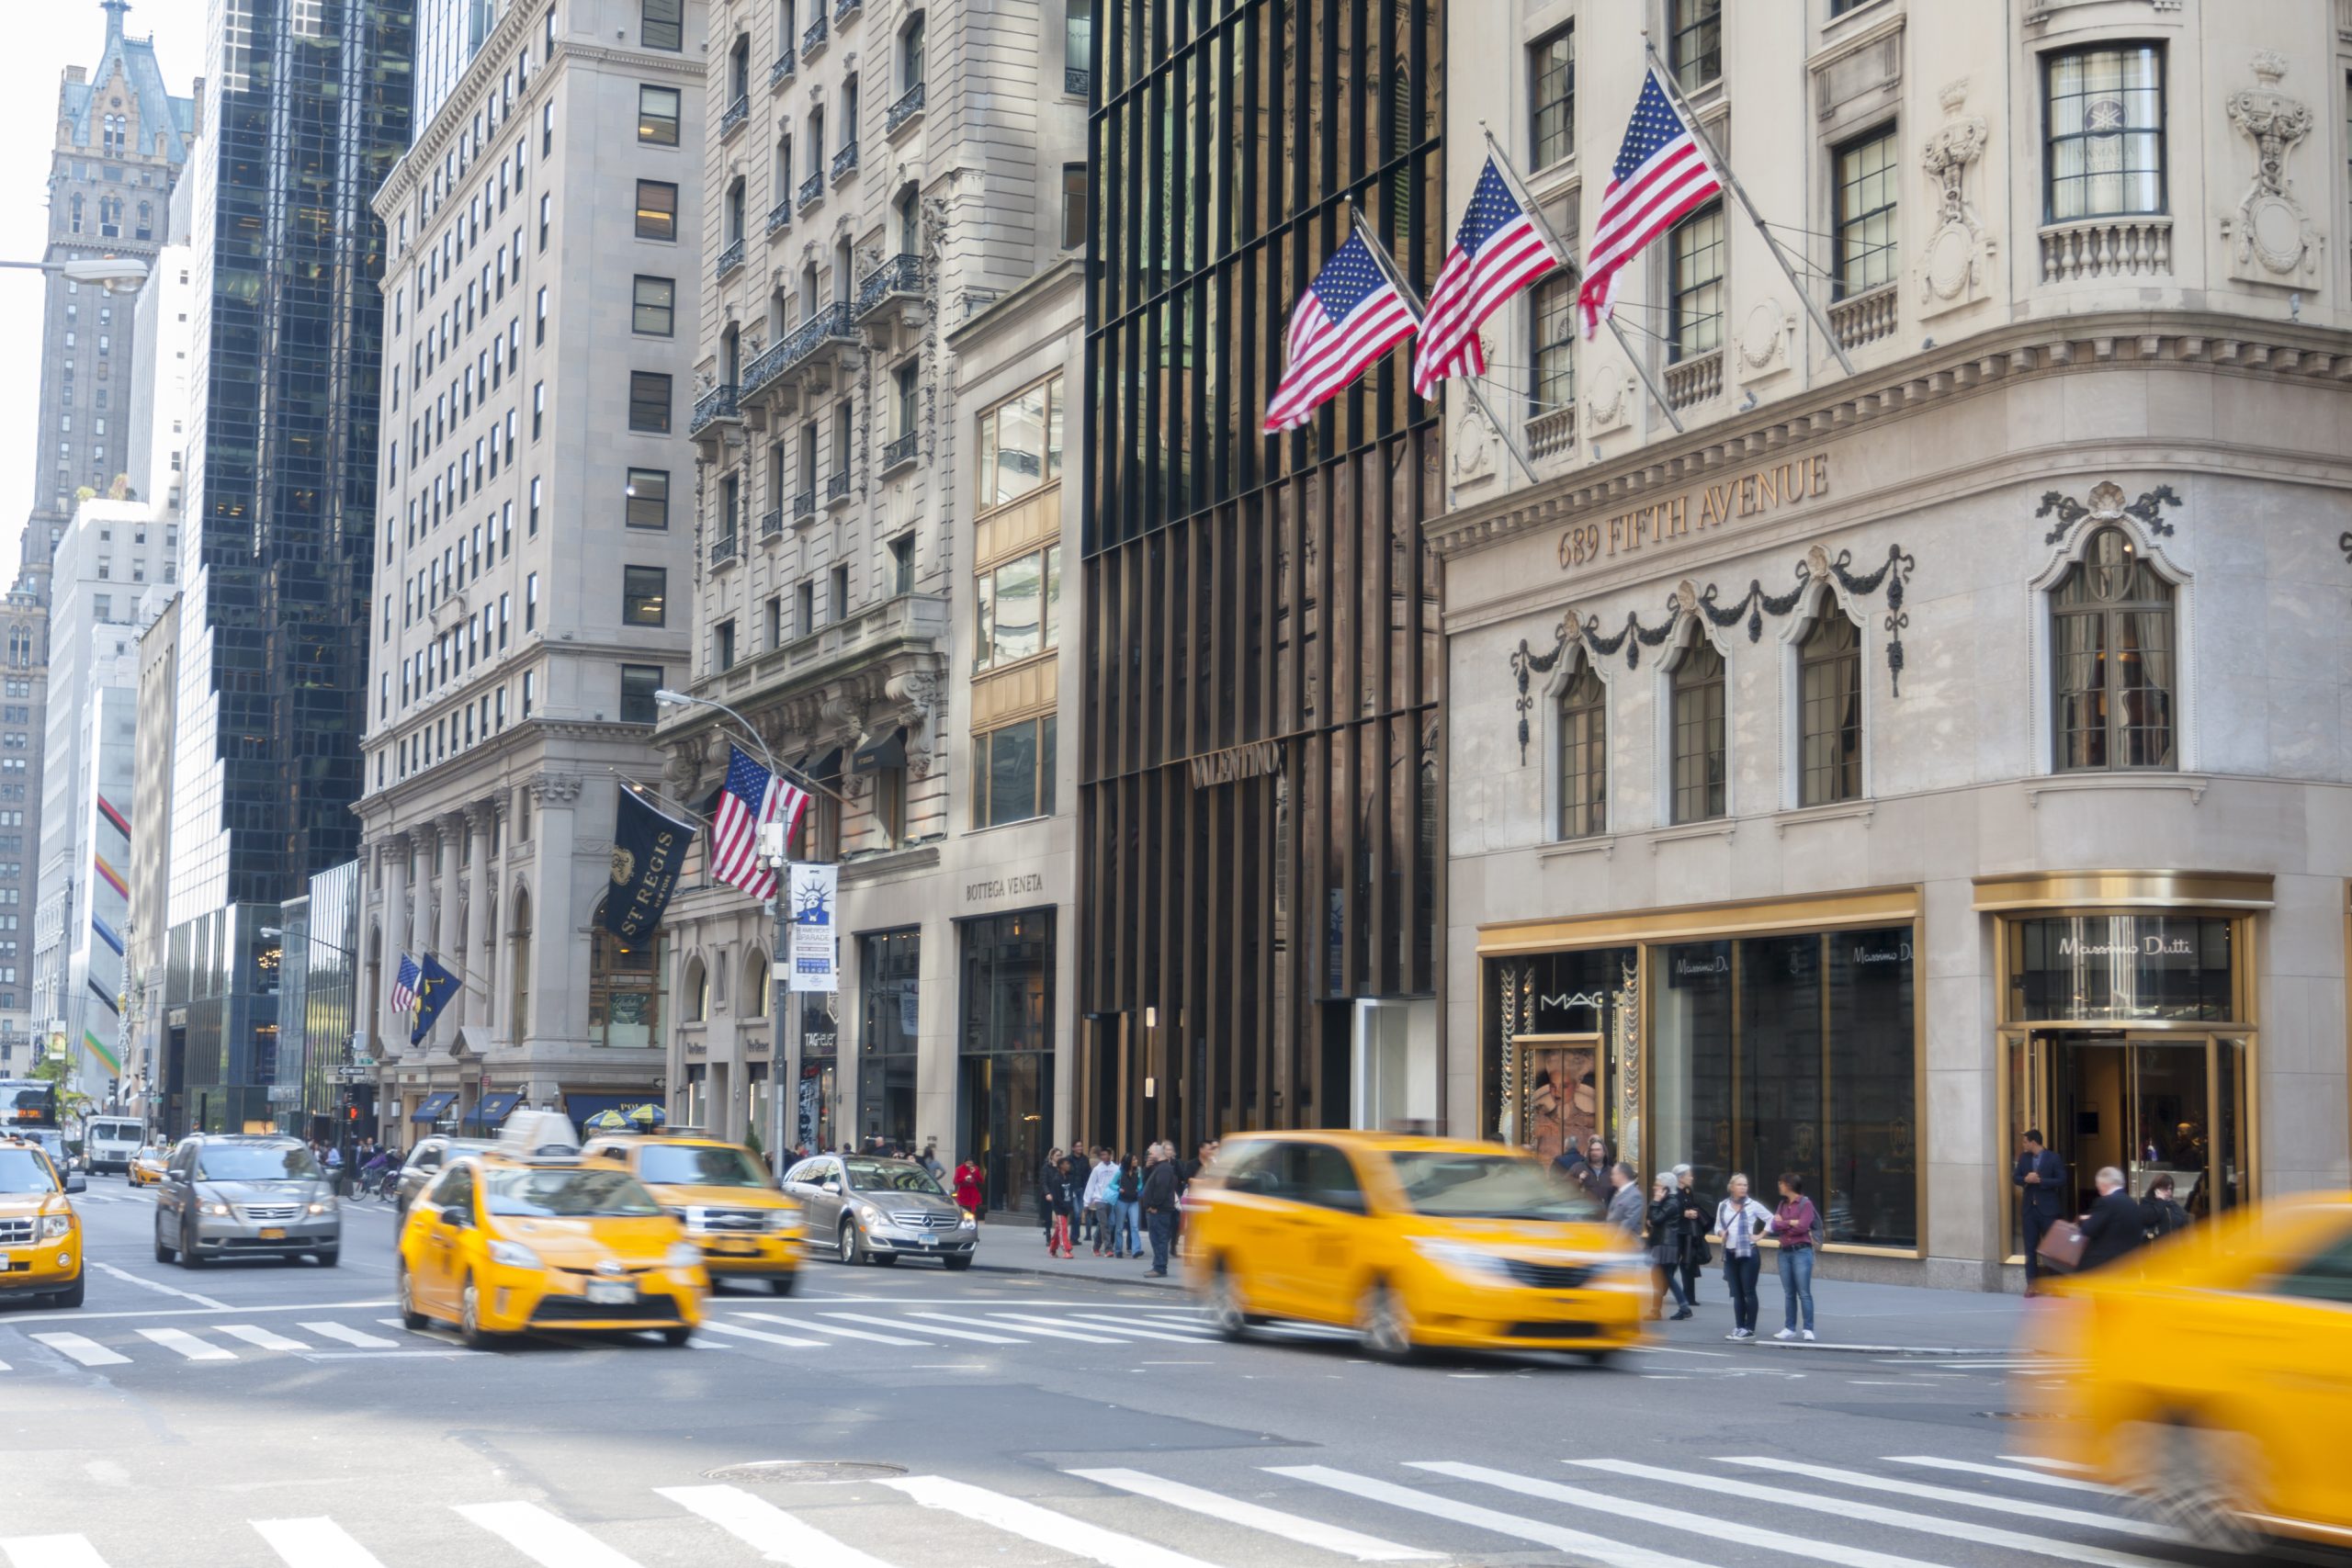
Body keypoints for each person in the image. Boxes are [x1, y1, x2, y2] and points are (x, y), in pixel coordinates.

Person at [1714, 1173, 1773, 1341]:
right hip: (1730, 1253)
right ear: (1731, 1187)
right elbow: (1717, 1225)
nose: (1743, 1188)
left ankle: (1750, 1328)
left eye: (1745, 1185)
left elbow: (1771, 1219)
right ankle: (1739, 1326)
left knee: (1748, 1291)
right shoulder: (1723, 1205)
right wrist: (1721, 1232)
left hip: (1749, 1253)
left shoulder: (1752, 1205)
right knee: (1736, 1293)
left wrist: (1760, 1235)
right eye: (1739, 1185)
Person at [2014, 1129, 2068, 1296]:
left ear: (2034, 1142)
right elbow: (2015, 1177)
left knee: (2052, 1249)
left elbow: (2062, 1179)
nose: (2023, 1145)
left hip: (2049, 1210)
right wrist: (2025, 1180)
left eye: (2025, 1142)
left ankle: (2055, 1285)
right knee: (2030, 1249)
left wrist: (2041, 1181)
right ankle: (2031, 1284)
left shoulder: (2053, 1158)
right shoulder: (2024, 1158)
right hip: (2030, 1210)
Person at [1769, 1172, 1818, 1341]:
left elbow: (1803, 1227)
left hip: (1801, 1251)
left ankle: (1808, 1329)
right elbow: (1774, 1225)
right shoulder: (1782, 1204)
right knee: (1789, 1292)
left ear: (1789, 1185)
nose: (1779, 1185)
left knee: (1804, 1292)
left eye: (1781, 1183)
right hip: (1784, 1251)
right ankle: (1789, 1328)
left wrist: (1784, 1223)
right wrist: (1790, 1222)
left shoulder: (1806, 1204)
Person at [2076, 1166, 2145, 1272]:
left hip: (2103, 1265)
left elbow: (2088, 1230)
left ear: (2104, 1184)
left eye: (2098, 1184)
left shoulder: (2105, 1202)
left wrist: (2084, 1220)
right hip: (2129, 1265)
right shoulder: (2133, 1204)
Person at [1645, 1175, 1690, 1321]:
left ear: (1665, 1188)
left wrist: (1656, 1201)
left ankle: (1682, 1307)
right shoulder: (1667, 1202)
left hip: (1666, 1244)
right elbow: (1651, 1220)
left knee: (1663, 1276)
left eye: (1657, 1185)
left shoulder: (1671, 1202)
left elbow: (1656, 1219)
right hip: (1663, 1243)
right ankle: (1661, 1309)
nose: (1654, 1187)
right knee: (1662, 1276)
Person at [1140, 1142, 1181, 1277]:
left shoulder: (1164, 1168)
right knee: (1156, 1239)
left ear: (1157, 1154)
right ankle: (1158, 1265)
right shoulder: (1158, 1167)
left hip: (1159, 1210)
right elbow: (1146, 1182)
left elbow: (1161, 1189)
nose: (1149, 1156)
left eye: (1150, 1153)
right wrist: (1147, 1167)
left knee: (1159, 1239)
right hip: (1157, 1209)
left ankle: (1160, 1267)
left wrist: (1153, 1206)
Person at [1672, 1164, 1708, 1307]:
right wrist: (1683, 1213)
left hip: (1688, 1233)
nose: (1692, 1178)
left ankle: (1689, 1297)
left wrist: (1693, 1212)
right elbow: (1670, 1211)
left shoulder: (1688, 1191)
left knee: (1689, 1263)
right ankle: (1660, 1292)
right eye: (1689, 1175)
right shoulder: (1672, 1192)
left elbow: (1691, 1205)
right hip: (1675, 1233)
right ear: (1681, 1178)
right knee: (1670, 1265)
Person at [1082, 1149, 1120, 1256]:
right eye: (1101, 1155)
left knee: (1105, 1224)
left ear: (1110, 1155)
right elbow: (1091, 1185)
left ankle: (1096, 1245)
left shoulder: (1116, 1169)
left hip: (1111, 1199)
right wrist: (1086, 1203)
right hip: (1099, 1199)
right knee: (1104, 1223)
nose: (1103, 1156)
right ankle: (1108, 1248)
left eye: (1105, 1154)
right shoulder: (1097, 1169)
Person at [1042, 1156, 1077, 1259]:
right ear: (1061, 1166)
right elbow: (1056, 1197)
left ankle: (1052, 1248)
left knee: (1059, 1229)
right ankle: (1066, 1249)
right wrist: (1062, 1206)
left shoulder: (1069, 1177)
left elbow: (1070, 1193)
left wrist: (1070, 1205)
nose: (1068, 1165)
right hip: (1059, 1208)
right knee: (1063, 1229)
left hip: (1067, 1206)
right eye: (1066, 1164)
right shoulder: (1056, 1179)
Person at [2139, 1172, 2190, 1240]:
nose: (2168, 1192)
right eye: (2165, 1189)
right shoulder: (2147, 1203)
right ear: (2156, 1190)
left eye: (2170, 1189)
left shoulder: (2173, 1205)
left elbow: (2183, 1222)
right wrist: (2160, 1201)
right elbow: (2149, 1219)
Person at [1605, 1160, 1644, 1238]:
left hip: (1626, 1244)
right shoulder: (1618, 1192)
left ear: (1622, 1175)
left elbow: (1628, 1224)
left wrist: (1614, 1244)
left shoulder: (1634, 1195)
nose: (1611, 1177)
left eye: (1614, 1174)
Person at [1114, 1153, 1142, 1258]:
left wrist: (1138, 1189)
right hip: (1122, 1201)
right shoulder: (1120, 1172)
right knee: (1119, 1227)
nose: (1136, 1161)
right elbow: (1112, 1184)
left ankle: (1136, 1250)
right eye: (1134, 1160)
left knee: (1134, 1226)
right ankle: (1118, 1249)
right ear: (1128, 1162)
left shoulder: (1138, 1171)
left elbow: (1140, 1183)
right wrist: (1118, 1189)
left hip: (1133, 1201)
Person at [1039, 1147, 1063, 1247]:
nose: (1059, 1157)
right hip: (1048, 1195)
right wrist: (1047, 1193)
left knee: (1060, 1216)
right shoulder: (1046, 1167)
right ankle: (1048, 1236)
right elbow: (1043, 1182)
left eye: (1060, 1155)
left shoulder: (1061, 1167)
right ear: (1052, 1156)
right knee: (1048, 1217)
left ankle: (1060, 1237)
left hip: (1058, 1195)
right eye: (1057, 1155)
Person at [952, 1156, 984, 1221]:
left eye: (971, 1163)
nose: (969, 1165)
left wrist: (975, 1173)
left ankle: (974, 1225)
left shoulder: (976, 1169)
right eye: (968, 1163)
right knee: (965, 1211)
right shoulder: (959, 1169)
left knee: (974, 1212)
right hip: (963, 1193)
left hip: (973, 1193)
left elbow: (981, 1180)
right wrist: (964, 1179)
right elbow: (955, 1182)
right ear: (964, 1162)